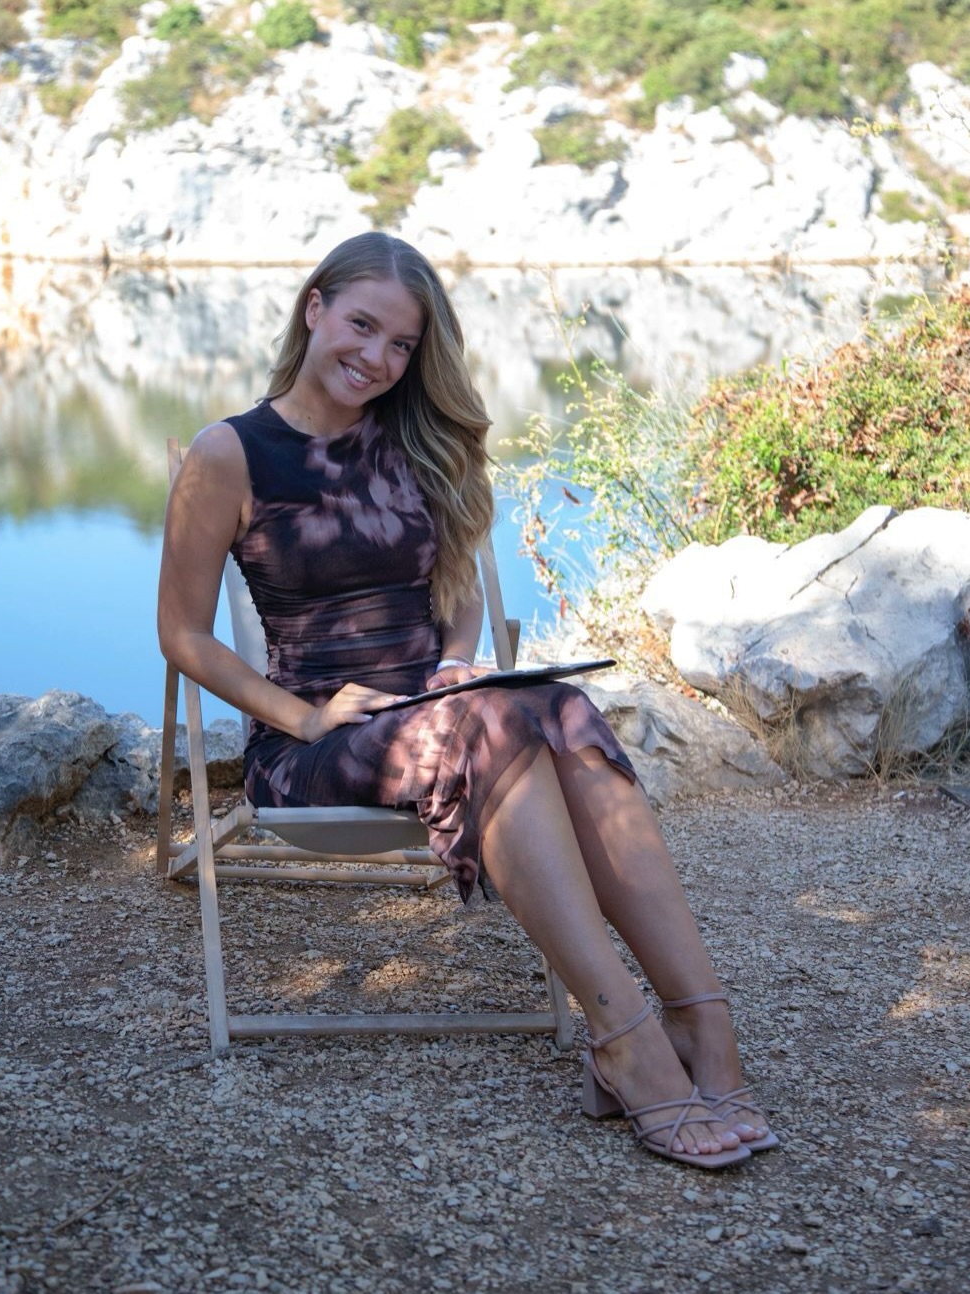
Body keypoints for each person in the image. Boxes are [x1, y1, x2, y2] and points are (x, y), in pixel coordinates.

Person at [158, 231, 779, 1170]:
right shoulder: (229, 454)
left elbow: (452, 591)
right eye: (361, 325)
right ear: (314, 307)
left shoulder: (415, 441)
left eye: (401, 344)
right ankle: (626, 1042)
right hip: (318, 742)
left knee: (561, 707)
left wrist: (456, 662)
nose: (376, 357)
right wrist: (304, 716)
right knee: (493, 724)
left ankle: (700, 1018)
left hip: (444, 716)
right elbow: (183, 635)